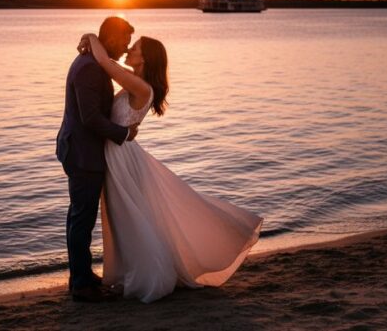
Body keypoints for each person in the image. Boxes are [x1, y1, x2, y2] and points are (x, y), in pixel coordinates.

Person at [78, 31, 263, 303]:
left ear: (145, 58)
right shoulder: (136, 82)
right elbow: (111, 67)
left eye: (136, 47)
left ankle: (148, 276)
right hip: (120, 153)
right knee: (125, 217)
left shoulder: (143, 88)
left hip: (121, 157)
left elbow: (106, 64)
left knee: (128, 216)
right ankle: (132, 272)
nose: (129, 49)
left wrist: (91, 36)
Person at [56, 16, 139, 302]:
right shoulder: (90, 68)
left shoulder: (95, 61)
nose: (126, 46)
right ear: (112, 37)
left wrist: (90, 36)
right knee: (82, 218)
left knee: (79, 216)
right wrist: (124, 132)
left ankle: (81, 274)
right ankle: (80, 284)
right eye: (125, 40)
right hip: (82, 152)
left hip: (81, 149)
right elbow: (90, 118)